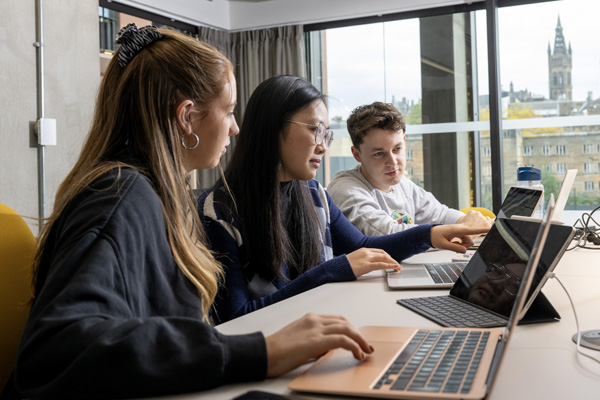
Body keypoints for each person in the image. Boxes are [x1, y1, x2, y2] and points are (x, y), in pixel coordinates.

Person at [5, 25, 378, 400]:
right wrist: (260, 352)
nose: (235, 128)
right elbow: (55, 349)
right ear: (187, 117)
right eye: (229, 111)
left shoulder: (157, 194)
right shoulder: (120, 196)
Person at [199, 76, 489, 325]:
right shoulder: (221, 211)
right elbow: (234, 319)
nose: (323, 145)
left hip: (325, 330)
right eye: (315, 130)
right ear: (271, 129)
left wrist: (430, 234)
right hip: (276, 350)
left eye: (327, 132)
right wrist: (332, 270)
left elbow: (363, 246)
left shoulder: (313, 194)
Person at [327, 101, 493, 236]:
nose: (393, 162)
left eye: (397, 149)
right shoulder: (346, 189)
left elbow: (441, 214)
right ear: (357, 155)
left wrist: (467, 222)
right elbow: (386, 233)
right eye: (379, 154)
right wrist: (458, 229)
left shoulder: (402, 185)